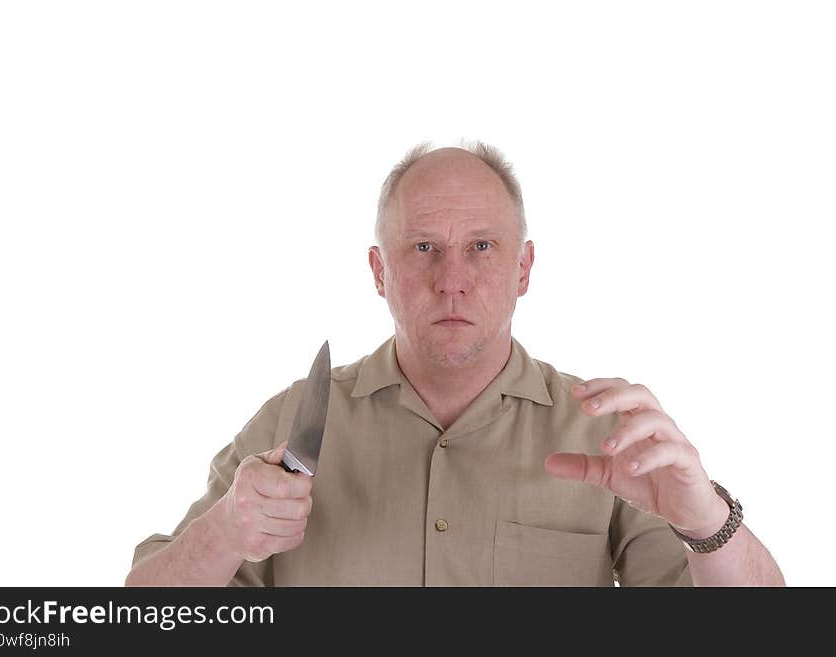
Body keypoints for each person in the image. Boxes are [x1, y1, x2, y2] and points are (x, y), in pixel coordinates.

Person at [125, 142, 785, 586]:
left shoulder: (604, 432)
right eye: (422, 247)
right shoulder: (293, 425)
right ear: (380, 271)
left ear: (523, 268)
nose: (452, 278)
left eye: (481, 246)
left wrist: (707, 522)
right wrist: (226, 531)